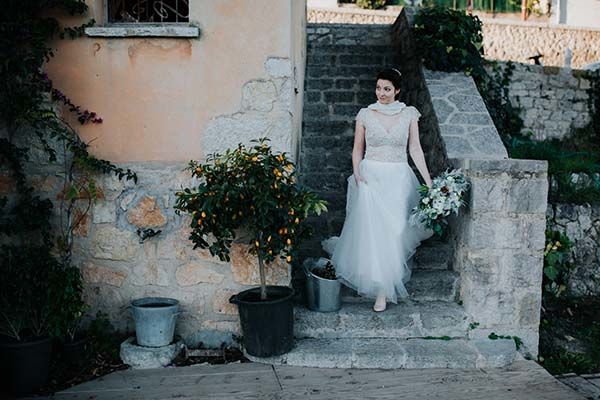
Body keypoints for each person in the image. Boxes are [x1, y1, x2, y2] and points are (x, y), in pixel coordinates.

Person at [324, 68, 434, 312]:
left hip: (397, 178)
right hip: (370, 176)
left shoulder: (409, 115)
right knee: (374, 233)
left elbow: (415, 149)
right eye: (378, 88)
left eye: (387, 89)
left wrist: (427, 180)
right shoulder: (365, 114)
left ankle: (385, 286)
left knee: (394, 232)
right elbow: (357, 149)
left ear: (397, 90)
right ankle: (380, 291)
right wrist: (357, 172)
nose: (381, 93)